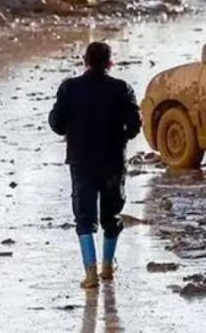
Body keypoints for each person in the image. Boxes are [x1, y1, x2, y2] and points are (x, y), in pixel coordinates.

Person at [49, 41, 142, 289]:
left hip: (81, 162)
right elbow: (135, 126)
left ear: (85, 61)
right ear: (111, 64)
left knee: (84, 217)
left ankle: (90, 274)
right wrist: (121, 133)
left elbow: (56, 123)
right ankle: (108, 268)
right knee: (111, 216)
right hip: (113, 162)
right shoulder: (123, 89)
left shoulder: (69, 88)